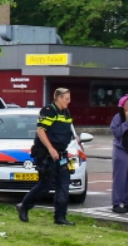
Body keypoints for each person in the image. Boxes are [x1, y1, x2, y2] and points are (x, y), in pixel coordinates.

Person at [17, 88, 85, 227]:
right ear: (58, 98)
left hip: (61, 155)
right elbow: (41, 131)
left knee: (64, 185)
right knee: (45, 185)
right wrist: (50, 148)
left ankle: (60, 217)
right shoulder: (48, 110)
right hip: (47, 154)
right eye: (66, 98)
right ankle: (24, 205)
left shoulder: (66, 113)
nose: (69, 101)